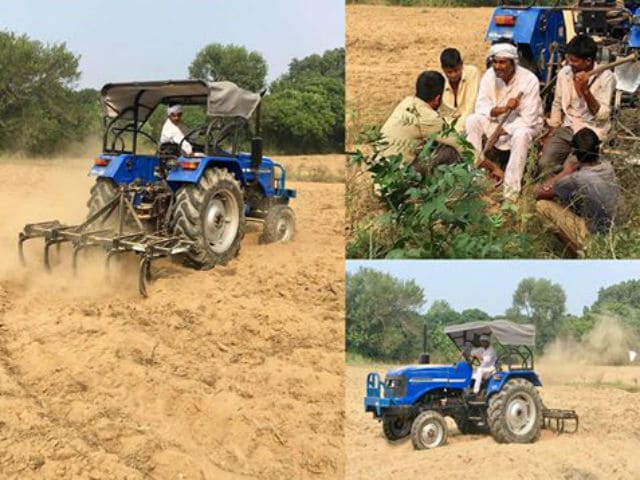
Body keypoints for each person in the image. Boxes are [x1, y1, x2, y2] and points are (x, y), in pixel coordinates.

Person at [465, 39, 544, 201]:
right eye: (495, 62)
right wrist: (502, 109)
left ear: (513, 63)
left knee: (521, 135)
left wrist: (506, 129)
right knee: (472, 121)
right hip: (497, 121)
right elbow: (481, 107)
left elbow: (529, 119)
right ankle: (474, 178)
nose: (497, 67)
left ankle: (511, 191)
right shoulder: (489, 76)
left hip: (524, 125)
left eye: (502, 62)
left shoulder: (529, 80)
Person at [539, 34, 615, 178]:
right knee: (545, 163)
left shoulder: (606, 77)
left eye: (574, 61)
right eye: (569, 59)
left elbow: (602, 115)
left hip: (591, 131)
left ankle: (561, 191)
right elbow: (557, 103)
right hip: (568, 126)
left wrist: (585, 90)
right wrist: (553, 129)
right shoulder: (565, 73)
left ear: (588, 61)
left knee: (571, 168)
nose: (570, 64)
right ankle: (553, 190)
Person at [535, 127, 618, 254]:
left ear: (574, 152)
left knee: (542, 206)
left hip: (592, 234)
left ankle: (581, 252)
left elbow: (541, 193)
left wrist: (565, 172)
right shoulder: (608, 166)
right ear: (598, 149)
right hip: (612, 229)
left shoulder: (577, 178)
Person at [380, 70, 459, 171]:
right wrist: (483, 163)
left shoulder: (407, 102)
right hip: (401, 176)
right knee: (449, 151)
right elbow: (459, 144)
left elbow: (446, 111)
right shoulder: (430, 118)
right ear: (438, 98)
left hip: (382, 175)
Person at [439, 48, 479, 133]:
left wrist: (456, 131)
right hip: (448, 127)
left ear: (461, 65)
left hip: (469, 123)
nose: (453, 75)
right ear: (443, 69)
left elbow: (470, 107)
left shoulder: (472, 72)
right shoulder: (440, 80)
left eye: (456, 70)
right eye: (449, 72)